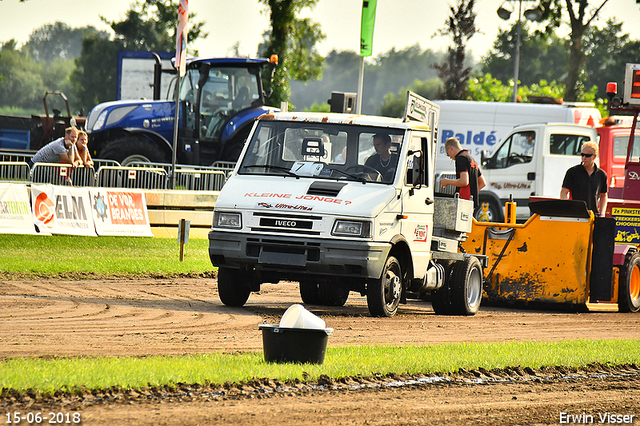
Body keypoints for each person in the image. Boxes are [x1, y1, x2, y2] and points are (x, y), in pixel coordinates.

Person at [560, 141, 608, 216]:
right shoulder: (573, 172)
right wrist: (567, 208)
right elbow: (564, 192)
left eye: (587, 155)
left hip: (593, 215)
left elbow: (603, 196)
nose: (584, 158)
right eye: (582, 155)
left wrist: (602, 213)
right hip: (575, 215)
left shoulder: (601, 175)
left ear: (594, 156)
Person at [440, 137, 486, 208]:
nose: (450, 157)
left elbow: (464, 182)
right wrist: (471, 192)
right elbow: (482, 182)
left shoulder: (460, 158)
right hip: (471, 202)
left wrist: (447, 181)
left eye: (448, 154)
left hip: (463, 202)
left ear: (450, 148)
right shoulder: (470, 158)